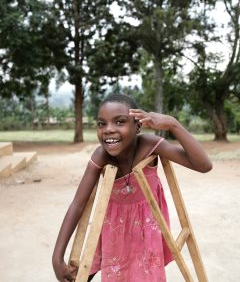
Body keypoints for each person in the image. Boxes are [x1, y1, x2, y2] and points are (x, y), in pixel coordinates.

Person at [52, 93, 212, 282]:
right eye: (101, 124)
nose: (108, 130)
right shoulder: (101, 155)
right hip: (113, 225)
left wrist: (171, 123)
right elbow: (78, 204)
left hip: (147, 224)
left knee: (144, 274)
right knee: (93, 271)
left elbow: (204, 165)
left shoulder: (150, 145)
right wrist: (56, 257)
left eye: (119, 122)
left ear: (138, 126)